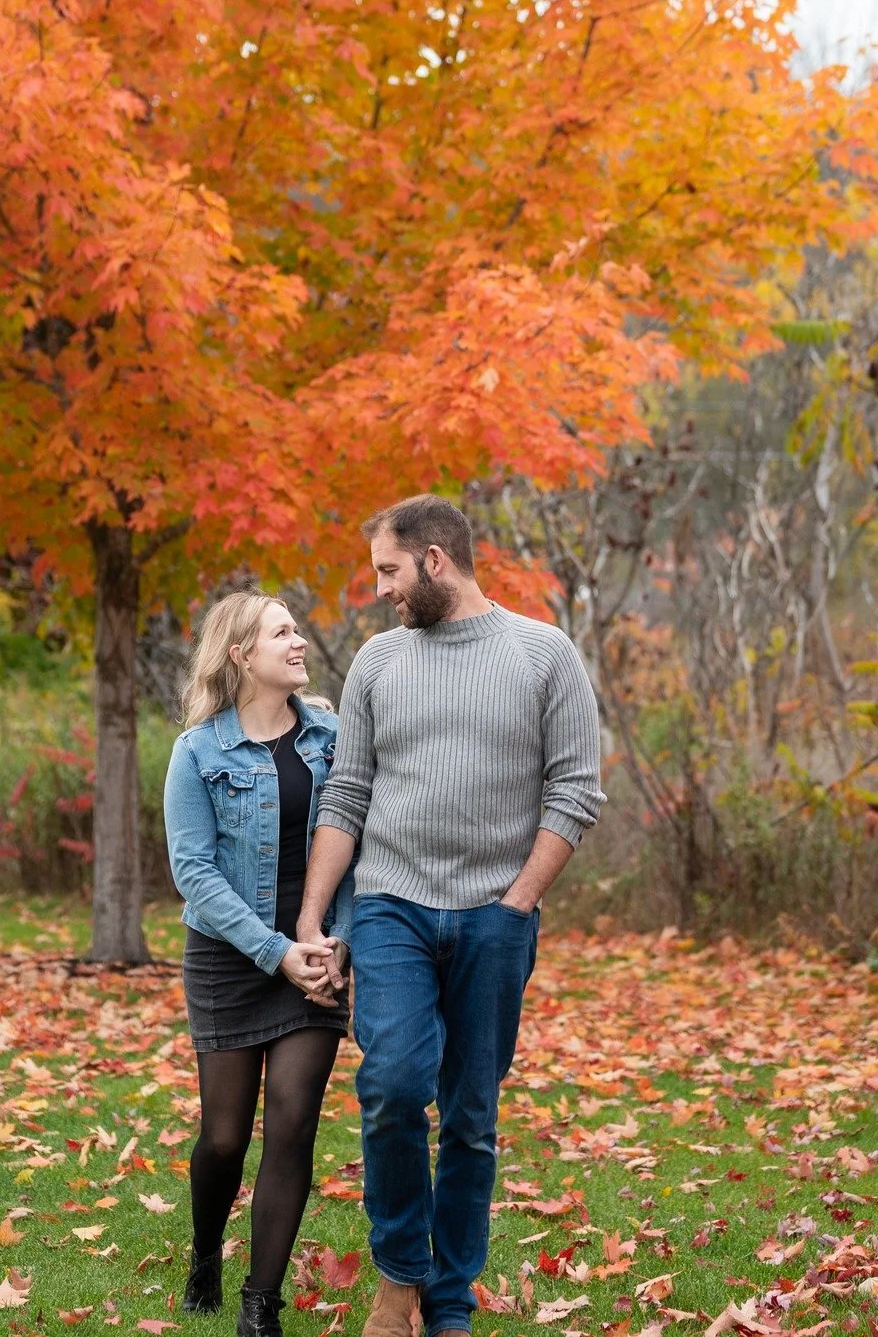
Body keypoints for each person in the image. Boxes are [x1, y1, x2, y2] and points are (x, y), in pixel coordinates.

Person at [298, 495, 604, 1337]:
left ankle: (449, 1297)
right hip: (391, 905)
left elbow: (575, 791)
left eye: (389, 572)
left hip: (492, 919)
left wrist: (515, 905)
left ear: (434, 560)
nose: (382, 591)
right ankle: (400, 1274)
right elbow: (348, 793)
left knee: (469, 1115)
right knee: (393, 1085)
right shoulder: (376, 661)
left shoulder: (543, 654)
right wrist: (313, 918)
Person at [165, 592, 355, 1337]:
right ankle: (206, 1251)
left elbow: (356, 844)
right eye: (281, 631)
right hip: (229, 958)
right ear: (241, 653)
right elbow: (194, 873)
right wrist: (275, 952)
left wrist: (333, 941)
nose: (299, 640)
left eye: (296, 628)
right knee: (222, 1137)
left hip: (315, 958)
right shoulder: (198, 751)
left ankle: (259, 1305)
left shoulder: (332, 739)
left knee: (293, 1122)